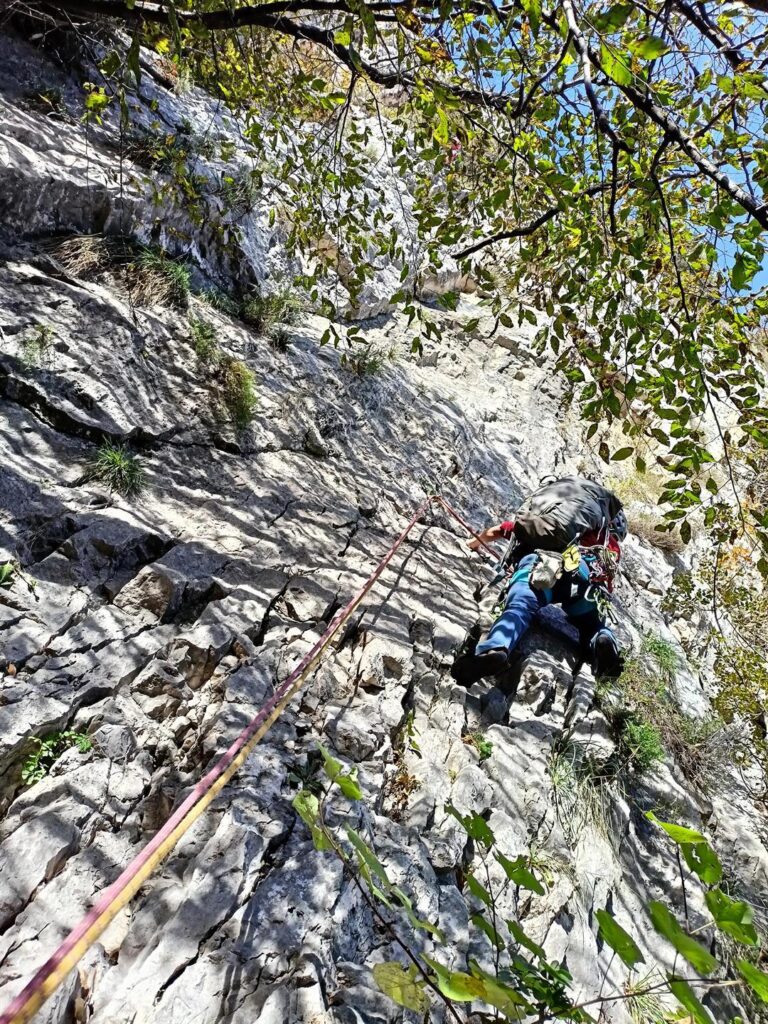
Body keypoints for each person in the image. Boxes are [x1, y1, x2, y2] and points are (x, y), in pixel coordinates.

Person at [451, 476, 627, 687]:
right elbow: (607, 584)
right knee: (593, 624)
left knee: (519, 606)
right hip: (586, 584)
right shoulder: (610, 547)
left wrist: (472, 543)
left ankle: (496, 649)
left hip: (545, 566)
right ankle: (602, 640)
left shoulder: (559, 525)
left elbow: (500, 530)